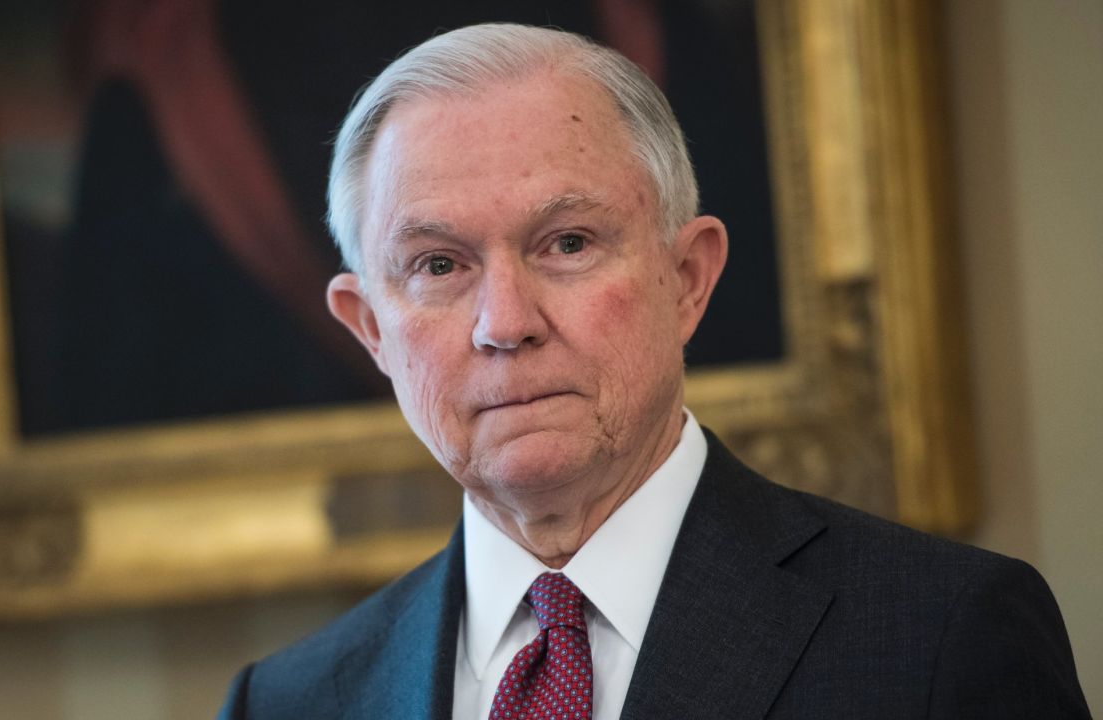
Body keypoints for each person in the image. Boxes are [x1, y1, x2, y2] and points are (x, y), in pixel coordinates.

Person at [219, 23, 1090, 719]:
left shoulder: (942, 638)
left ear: (687, 280)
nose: (505, 325)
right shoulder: (289, 703)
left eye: (566, 244)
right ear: (371, 329)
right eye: (440, 266)